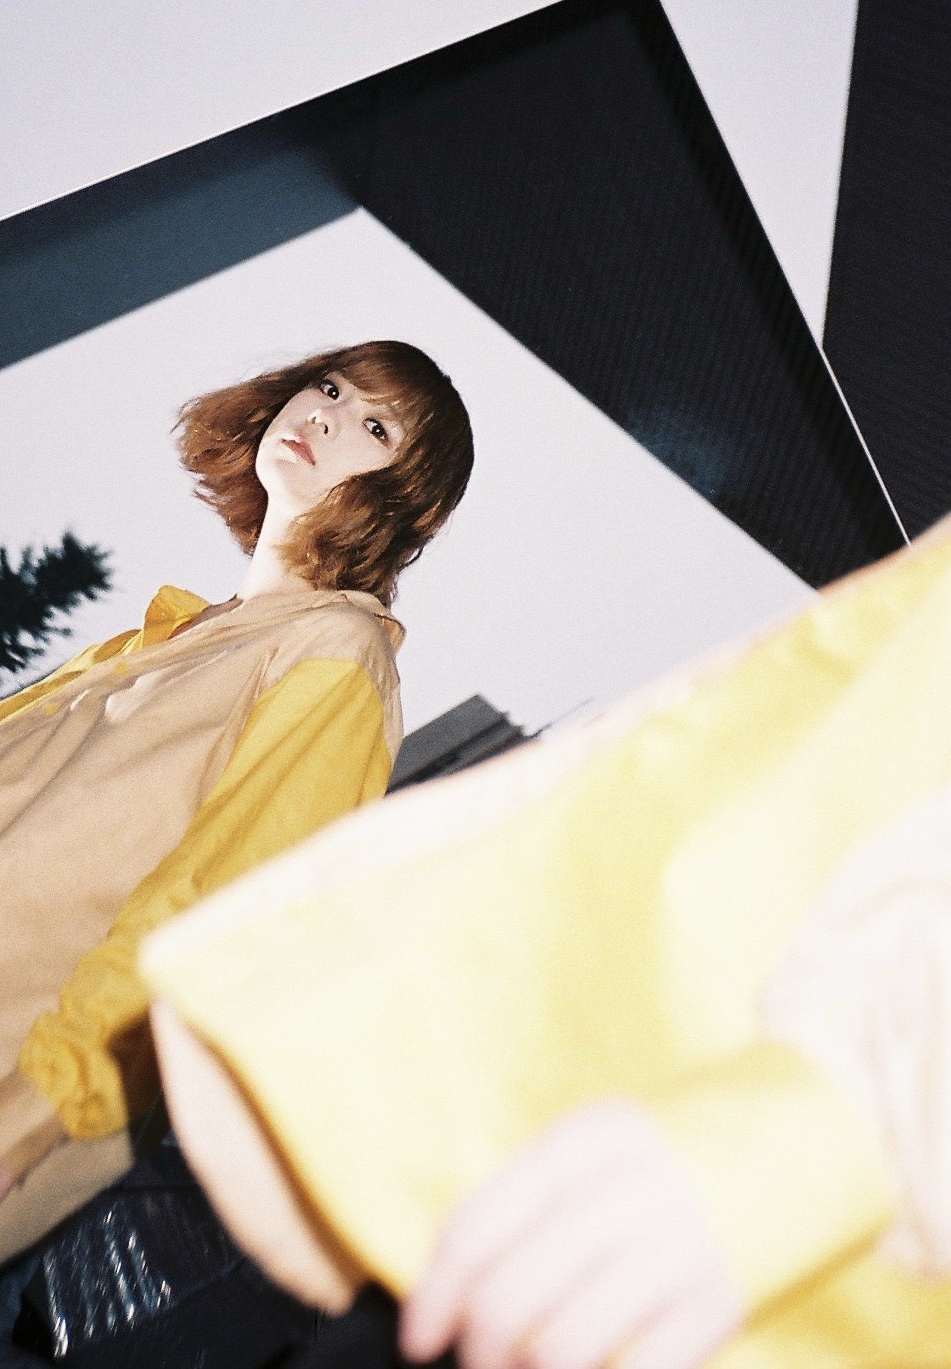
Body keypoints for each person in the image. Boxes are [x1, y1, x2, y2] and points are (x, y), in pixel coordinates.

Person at [0, 339, 474, 1368]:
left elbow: (220, 920)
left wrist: (22, 1121)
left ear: (404, 499)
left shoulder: (337, 658)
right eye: (330, 387)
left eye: (373, 426)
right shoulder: (174, 636)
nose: (327, 416)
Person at [139, 513, 951, 1369]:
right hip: (629, 1139)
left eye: (380, 440)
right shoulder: (193, 629)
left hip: (721, 1195)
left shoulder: (340, 653)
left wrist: (823, 1133)